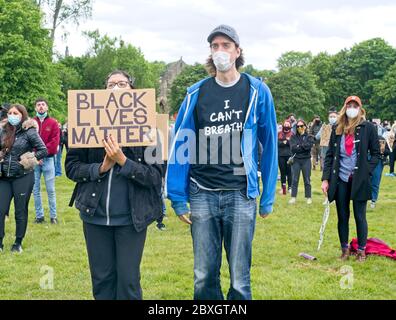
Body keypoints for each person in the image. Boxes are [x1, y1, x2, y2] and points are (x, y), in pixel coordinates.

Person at [166, 25, 278, 300]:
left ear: (237, 51)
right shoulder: (196, 93)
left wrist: (267, 197)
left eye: (225, 45)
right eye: (214, 46)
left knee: (240, 277)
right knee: (204, 274)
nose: (219, 51)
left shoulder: (257, 91)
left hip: (241, 193)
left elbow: (270, 142)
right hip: (201, 192)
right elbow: (181, 145)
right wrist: (178, 196)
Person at [65, 70, 163, 300]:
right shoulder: (87, 123)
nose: (116, 88)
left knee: (128, 282)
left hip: (131, 219)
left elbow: (155, 176)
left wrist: (123, 162)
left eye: (122, 83)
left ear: (133, 90)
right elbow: (71, 167)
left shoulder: (150, 128)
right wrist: (100, 168)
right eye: (111, 84)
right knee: (102, 280)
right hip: (94, 216)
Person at [321, 96, 379, 262]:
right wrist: (325, 179)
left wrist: (367, 170)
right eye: (349, 105)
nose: (352, 108)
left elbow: (376, 154)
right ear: (345, 107)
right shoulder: (337, 128)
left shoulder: (368, 127)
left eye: (355, 105)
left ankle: (361, 251)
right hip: (340, 179)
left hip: (359, 179)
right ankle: (344, 250)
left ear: (360, 109)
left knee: (360, 216)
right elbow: (330, 156)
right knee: (342, 215)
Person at [0, 104, 47, 253]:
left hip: (23, 177)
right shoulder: (3, 130)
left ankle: (18, 242)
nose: (12, 115)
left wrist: (27, 161)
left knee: (20, 210)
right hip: (3, 177)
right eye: (10, 113)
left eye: (16, 113)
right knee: (1, 210)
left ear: (22, 115)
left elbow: (43, 150)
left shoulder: (29, 131)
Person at [33, 98, 60, 224]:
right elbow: (28, 141)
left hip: (48, 160)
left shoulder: (53, 123)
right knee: (35, 189)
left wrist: (41, 155)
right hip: (34, 161)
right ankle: (39, 216)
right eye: (38, 105)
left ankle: (53, 216)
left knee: (51, 189)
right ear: (35, 108)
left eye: (43, 105)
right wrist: (36, 156)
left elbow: (54, 143)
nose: (41, 107)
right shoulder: (31, 123)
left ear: (47, 107)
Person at [289, 119, 314, 204]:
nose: (300, 127)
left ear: (305, 126)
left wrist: (299, 146)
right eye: (298, 126)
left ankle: (308, 197)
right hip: (296, 160)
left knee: (307, 179)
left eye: (301, 126)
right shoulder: (293, 137)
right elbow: (293, 148)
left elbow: (309, 146)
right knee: (295, 179)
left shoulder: (309, 136)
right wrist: (302, 146)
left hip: (306, 160)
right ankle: (293, 197)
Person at [370, 136, 390, 209]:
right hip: (367, 160)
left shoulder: (381, 138)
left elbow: (388, 152)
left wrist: (383, 150)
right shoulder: (364, 137)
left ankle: (373, 200)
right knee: (365, 181)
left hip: (378, 161)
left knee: (375, 180)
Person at [278, 120, 293, 195]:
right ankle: (283, 188)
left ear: (290, 126)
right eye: (285, 124)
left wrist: (286, 142)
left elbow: (292, 144)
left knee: (289, 171)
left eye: (288, 124)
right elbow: (278, 143)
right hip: (280, 155)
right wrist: (285, 141)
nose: (286, 126)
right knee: (282, 172)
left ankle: (290, 187)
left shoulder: (292, 134)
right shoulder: (279, 133)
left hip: (289, 155)